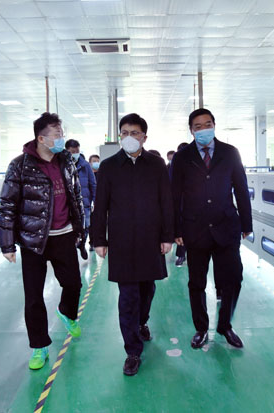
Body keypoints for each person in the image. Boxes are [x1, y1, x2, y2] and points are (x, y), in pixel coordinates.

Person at [0, 112, 85, 371]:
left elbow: (76, 195)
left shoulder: (66, 161)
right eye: (57, 135)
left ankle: (66, 312)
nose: (61, 139)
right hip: (33, 240)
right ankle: (39, 346)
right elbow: (7, 204)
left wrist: (81, 228)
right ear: (41, 138)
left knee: (73, 283)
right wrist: (7, 244)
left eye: (62, 134)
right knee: (34, 296)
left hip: (64, 234)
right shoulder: (20, 165)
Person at [91, 113, 173, 376]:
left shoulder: (157, 165)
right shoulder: (109, 166)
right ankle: (132, 351)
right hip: (122, 240)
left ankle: (141, 322)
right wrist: (99, 239)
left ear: (144, 137)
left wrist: (167, 236)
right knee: (128, 296)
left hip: (151, 239)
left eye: (134, 133)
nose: (129, 137)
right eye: (124, 133)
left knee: (147, 289)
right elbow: (100, 205)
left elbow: (166, 201)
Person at [171, 108, 253, 350]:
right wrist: (176, 228)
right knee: (197, 283)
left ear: (214, 125)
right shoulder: (182, 157)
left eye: (207, 124)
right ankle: (201, 328)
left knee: (233, 279)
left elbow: (241, 188)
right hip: (195, 229)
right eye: (198, 127)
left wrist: (246, 223)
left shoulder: (230, 153)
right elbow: (174, 195)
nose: (203, 129)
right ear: (191, 130)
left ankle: (225, 325)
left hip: (226, 226)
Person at [65, 139, 96, 260]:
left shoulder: (85, 165)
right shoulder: (62, 164)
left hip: (85, 202)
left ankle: (82, 244)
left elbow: (93, 184)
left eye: (77, 151)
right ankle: (71, 247)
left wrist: (95, 201)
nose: (75, 154)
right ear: (66, 151)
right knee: (70, 228)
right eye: (72, 151)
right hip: (68, 204)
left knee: (86, 225)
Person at [169, 143, 189, 267]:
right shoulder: (173, 167)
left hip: (193, 206)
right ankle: (181, 255)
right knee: (182, 231)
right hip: (180, 204)